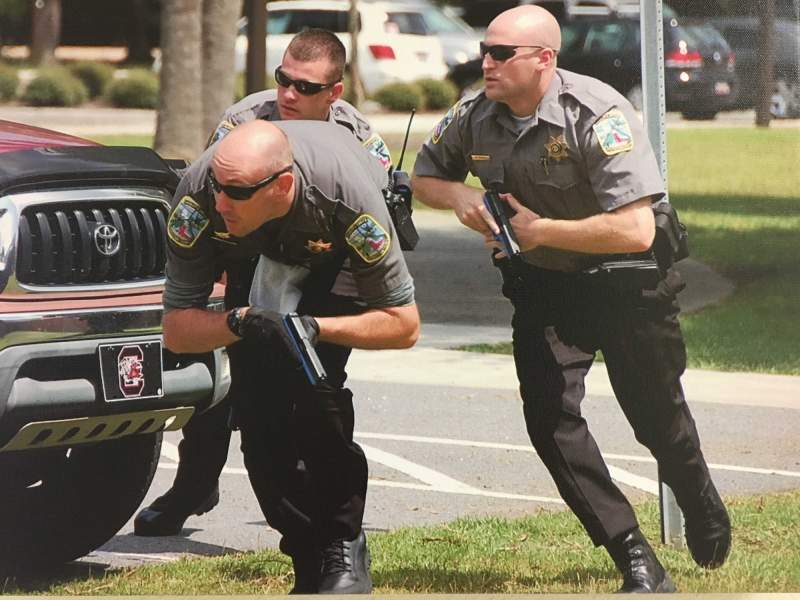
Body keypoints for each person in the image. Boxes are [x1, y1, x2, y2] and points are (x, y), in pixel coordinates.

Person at [411, 5, 730, 594]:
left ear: (543, 60)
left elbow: (635, 229)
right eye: (486, 49)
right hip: (547, 286)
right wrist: (458, 196)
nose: (487, 61)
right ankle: (631, 553)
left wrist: (539, 232)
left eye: (503, 53)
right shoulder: (474, 115)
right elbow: (423, 177)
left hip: (627, 280)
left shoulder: (597, 112)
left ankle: (697, 491)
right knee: (549, 419)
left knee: (655, 418)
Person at [135, 29, 392, 540]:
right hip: (247, 260)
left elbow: (369, 219)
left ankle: (317, 513)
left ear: (334, 92)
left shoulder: (359, 138)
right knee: (224, 381)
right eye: (283, 80)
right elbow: (214, 199)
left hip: (322, 270)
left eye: (306, 87)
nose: (289, 95)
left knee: (311, 387)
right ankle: (193, 486)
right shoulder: (244, 120)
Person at [160, 119, 418, 593]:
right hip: (254, 261)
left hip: (332, 257)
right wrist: (240, 323)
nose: (220, 202)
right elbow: (177, 332)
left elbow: (404, 324)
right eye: (218, 187)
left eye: (235, 192)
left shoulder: (348, 199)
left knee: (316, 402)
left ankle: (343, 543)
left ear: (281, 186)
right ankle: (306, 553)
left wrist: (313, 329)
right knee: (260, 423)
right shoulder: (198, 199)